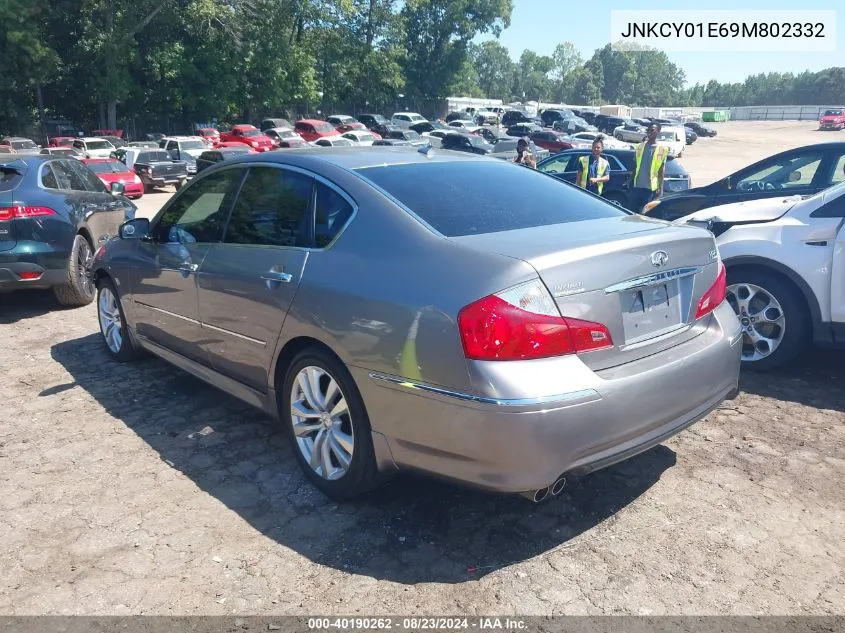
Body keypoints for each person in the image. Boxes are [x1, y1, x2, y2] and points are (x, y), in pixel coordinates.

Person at [631, 122, 669, 212]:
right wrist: (630, 180)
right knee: (632, 211)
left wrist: (661, 188)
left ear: (658, 131)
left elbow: (661, 169)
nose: (649, 132)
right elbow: (635, 165)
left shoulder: (662, 149)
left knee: (646, 212)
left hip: (650, 188)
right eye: (648, 130)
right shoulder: (639, 147)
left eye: (652, 130)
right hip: (637, 185)